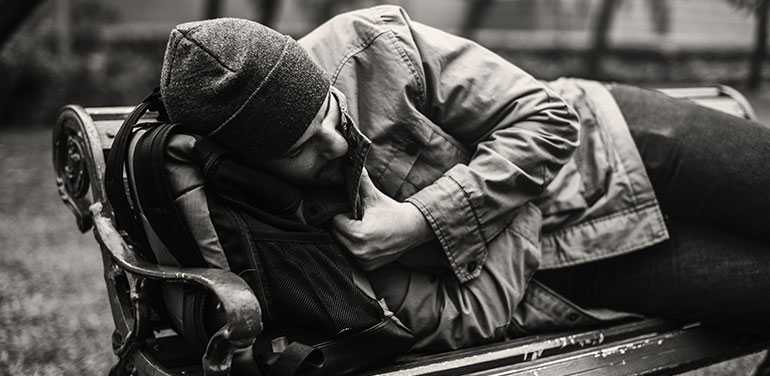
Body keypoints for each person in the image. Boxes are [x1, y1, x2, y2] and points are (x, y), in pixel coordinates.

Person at [158, 5, 770, 352]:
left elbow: (548, 118)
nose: (338, 142)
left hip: (613, 136)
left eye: (329, 112)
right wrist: (514, 200)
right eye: (303, 148)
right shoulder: (293, 242)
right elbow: (471, 317)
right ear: (254, 165)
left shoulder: (367, 46)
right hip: (578, 262)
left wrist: (424, 221)